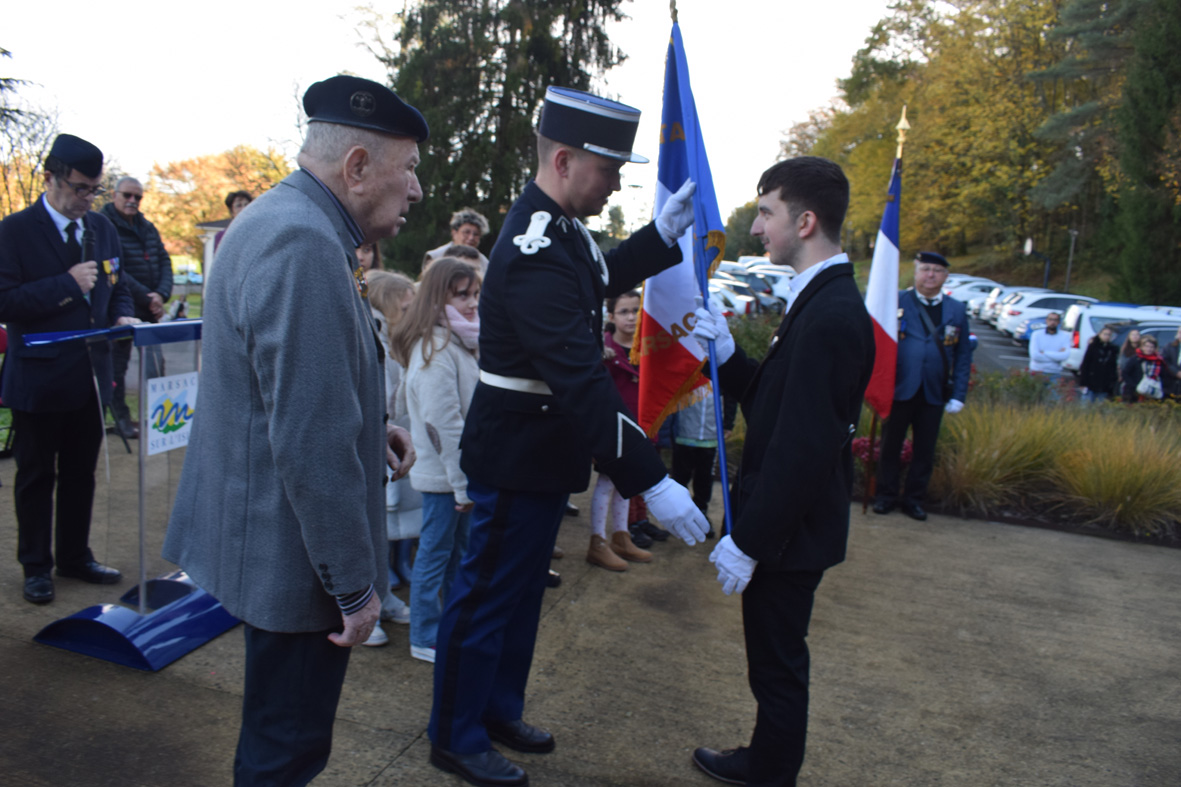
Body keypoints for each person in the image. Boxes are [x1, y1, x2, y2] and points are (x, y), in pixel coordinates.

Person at [426, 86, 707, 787]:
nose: (616, 182)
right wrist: (653, 479)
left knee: (519, 594)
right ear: (562, 160)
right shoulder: (533, 244)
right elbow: (582, 384)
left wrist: (660, 239)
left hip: (541, 452)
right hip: (517, 450)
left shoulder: (558, 231)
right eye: (607, 169)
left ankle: (495, 709)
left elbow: (594, 275)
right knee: (485, 595)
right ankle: (454, 735)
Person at [161, 75, 423, 786]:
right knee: (286, 750)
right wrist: (354, 586)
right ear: (358, 166)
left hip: (277, 540)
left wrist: (374, 430)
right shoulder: (305, 243)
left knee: (278, 738)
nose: (418, 189)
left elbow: (289, 389)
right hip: (297, 559)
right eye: (410, 169)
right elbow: (309, 439)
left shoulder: (283, 220)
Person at [688, 156, 875, 787]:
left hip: (787, 536)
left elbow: (803, 447)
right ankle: (768, 762)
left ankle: (769, 772)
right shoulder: (820, 300)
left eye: (767, 212)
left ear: (807, 220)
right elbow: (780, 403)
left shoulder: (831, 314)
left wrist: (750, 541)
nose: (757, 227)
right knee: (772, 660)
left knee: (777, 665)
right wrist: (730, 358)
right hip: (786, 530)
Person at [0, 133, 137, 604]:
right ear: (51, 178)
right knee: (37, 476)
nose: (86, 199)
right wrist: (65, 285)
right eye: (79, 188)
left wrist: (122, 311)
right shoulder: (14, 231)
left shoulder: (102, 228)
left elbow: (117, 281)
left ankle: (75, 556)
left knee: (82, 473)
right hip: (38, 379)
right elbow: (4, 302)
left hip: (89, 380)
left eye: (94, 190)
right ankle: (36, 566)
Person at [390, 258, 481, 664]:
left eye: (476, 294)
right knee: (433, 554)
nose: (472, 303)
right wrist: (462, 484)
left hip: (457, 475)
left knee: (453, 553)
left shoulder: (457, 343)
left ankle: (443, 623)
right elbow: (444, 425)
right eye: (462, 294)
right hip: (446, 477)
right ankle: (425, 634)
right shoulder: (436, 350)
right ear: (437, 297)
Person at [872, 251, 973, 521]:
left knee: (924, 451)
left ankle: (914, 500)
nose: (931, 275)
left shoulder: (956, 310)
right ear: (916, 272)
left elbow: (963, 356)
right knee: (890, 447)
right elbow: (876, 340)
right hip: (898, 388)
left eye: (937, 271)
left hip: (934, 391)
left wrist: (959, 394)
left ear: (946, 276)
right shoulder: (896, 300)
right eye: (926, 269)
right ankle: (885, 496)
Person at [362, 269, 418, 647]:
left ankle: (385, 596)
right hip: (371, 451)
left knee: (387, 532)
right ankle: (366, 605)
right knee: (368, 534)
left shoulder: (399, 344)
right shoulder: (370, 345)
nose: (413, 314)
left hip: (396, 447)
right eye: (406, 308)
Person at [587, 290, 656, 571]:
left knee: (625, 485)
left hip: (639, 428)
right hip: (611, 427)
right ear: (611, 317)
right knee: (606, 483)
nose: (631, 317)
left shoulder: (647, 348)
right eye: (624, 311)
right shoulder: (601, 350)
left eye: (636, 311)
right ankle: (597, 542)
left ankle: (621, 536)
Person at [100, 176, 173, 438]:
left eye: (138, 197)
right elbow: (113, 269)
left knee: (156, 367)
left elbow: (164, 261)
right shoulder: (103, 225)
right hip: (121, 311)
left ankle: (160, 420)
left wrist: (161, 295)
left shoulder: (148, 227)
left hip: (150, 310)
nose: (133, 201)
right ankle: (122, 419)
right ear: (114, 195)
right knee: (117, 369)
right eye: (128, 195)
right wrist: (147, 296)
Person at [423, 208, 490, 274]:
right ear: (454, 233)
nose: (471, 238)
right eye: (466, 232)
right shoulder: (436, 256)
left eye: (476, 234)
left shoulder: (484, 263)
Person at [1120, 335, 1171, 402]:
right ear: (1142, 347)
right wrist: (1134, 385)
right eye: (1146, 346)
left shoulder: (1159, 361)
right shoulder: (1135, 359)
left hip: (1152, 392)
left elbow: (1164, 376)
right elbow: (1125, 373)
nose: (1149, 349)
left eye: (1151, 347)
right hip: (1135, 392)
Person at [1078, 325, 1119, 403]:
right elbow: (1085, 364)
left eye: (1109, 335)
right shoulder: (1093, 346)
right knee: (1086, 403)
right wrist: (1083, 381)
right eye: (1105, 334)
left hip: (1104, 382)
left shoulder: (1112, 349)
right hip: (1091, 380)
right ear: (1099, 334)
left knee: (1099, 405)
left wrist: (1112, 382)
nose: (1106, 336)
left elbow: (1113, 367)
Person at [1028, 312, 1070, 377]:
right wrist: (1056, 355)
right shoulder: (1036, 334)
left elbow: (1065, 356)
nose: (1052, 322)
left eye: (1055, 320)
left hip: (1054, 372)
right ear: (1046, 320)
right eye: (1050, 319)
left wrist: (1044, 352)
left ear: (1059, 322)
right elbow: (1035, 356)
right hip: (1037, 371)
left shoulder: (1065, 336)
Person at [1162, 325, 1181, 398]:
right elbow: (1164, 360)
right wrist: (1176, 372)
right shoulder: (1170, 347)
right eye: (1180, 332)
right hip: (1170, 383)